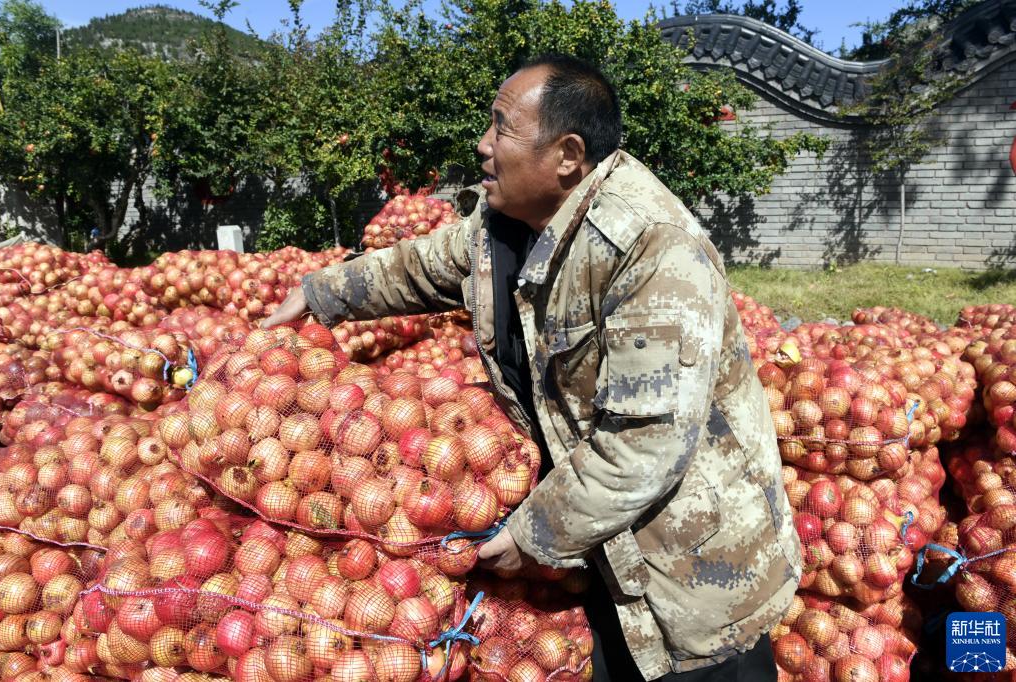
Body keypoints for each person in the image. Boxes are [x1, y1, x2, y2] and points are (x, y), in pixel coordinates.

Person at [262, 54, 801, 681]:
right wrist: (319, 293)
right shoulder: (507, 226)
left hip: (695, 578)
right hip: (601, 549)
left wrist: (532, 536)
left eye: (503, 127)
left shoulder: (651, 248)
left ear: (568, 155)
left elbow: (645, 443)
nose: (483, 144)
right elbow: (422, 266)